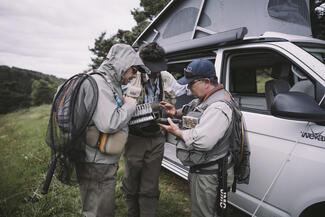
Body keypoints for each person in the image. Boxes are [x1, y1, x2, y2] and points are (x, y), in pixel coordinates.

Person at [76, 43, 148, 217]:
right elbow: (109, 123)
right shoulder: (100, 83)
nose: (133, 76)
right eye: (133, 70)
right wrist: (130, 105)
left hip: (98, 158)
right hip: (96, 162)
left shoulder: (107, 81)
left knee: (98, 207)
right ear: (122, 65)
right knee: (99, 211)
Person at [159, 59, 236, 217]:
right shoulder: (208, 97)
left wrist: (178, 132)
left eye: (191, 83)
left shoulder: (219, 107)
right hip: (204, 170)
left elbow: (203, 141)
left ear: (206, 82)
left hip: (210, 174)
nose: (188, 88)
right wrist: (175, 112)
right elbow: (195, 108)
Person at [121, 42, 186, 217]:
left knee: (151, 182)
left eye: (158, 67)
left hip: (157, 137)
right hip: (134, 138)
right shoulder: (130, 77)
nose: (155, 72)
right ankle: (132, 212)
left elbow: (180, 90)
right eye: (151, 68)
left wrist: (194, 78)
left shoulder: (165, 76)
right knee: (131, 179)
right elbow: (120, 108)